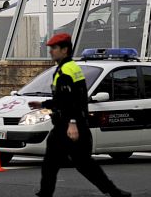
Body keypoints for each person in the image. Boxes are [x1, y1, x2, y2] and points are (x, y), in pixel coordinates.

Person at [29, 33, 131, 197]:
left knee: (84, 164)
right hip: (65, 124)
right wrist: (43, 104)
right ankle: (46, 192)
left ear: (65, 50)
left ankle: (114, 192)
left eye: (54, 48)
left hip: (69, 125)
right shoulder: (67, 68)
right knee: (52, 162)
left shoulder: (67, 71)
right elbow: (63, 99)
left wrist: (72, 123)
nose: (51, 51)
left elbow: (73, 101)